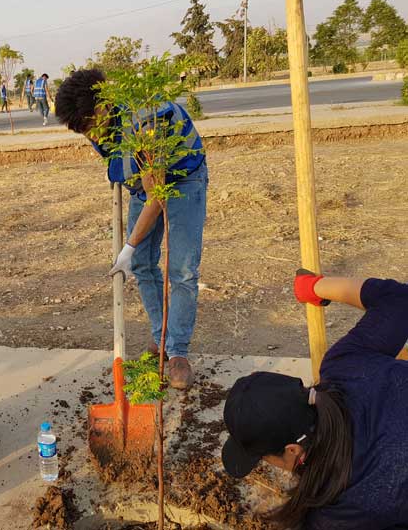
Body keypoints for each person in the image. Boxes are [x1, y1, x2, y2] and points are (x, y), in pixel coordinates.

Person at [55, 69, 207, 389]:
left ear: (102, 107)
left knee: (181, 269)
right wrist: (134, 251)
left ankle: (177, 353)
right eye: (81, 131)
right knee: (142, 264)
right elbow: (133, 174)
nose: (90, 136)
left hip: (184, 180)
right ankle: (161, 337)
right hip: (145, 186)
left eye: (88, 126)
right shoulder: (100, 127)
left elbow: (157, 196)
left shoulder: (146, 121)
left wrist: (129, 245)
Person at [222, 271, 408, 529]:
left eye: (264, 458)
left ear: (292, 450)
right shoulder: (346, 365)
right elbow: (398, 300)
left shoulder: (343, 510)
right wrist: (315, 286)